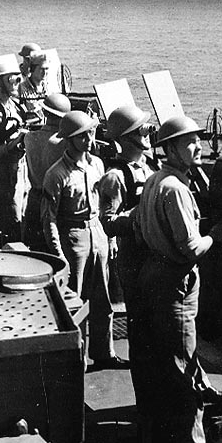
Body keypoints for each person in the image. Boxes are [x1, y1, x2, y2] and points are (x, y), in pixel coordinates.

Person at [132, 115, 222, 443]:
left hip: (153, 275)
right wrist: (215, 236)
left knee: (162, 364)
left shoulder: (152, 181)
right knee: (184, 370)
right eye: (188, 141)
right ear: (171, 149)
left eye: (196, 139)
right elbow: (192, 248)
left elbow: (138, 230)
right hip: (175, 282)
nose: (196, 146)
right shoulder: (175, 188)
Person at [41, 111, 127, 370]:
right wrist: (59, 254)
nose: (90, 138)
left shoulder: (97, 165)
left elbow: (104, 206)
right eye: (83, 135)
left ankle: (104, 353)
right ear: (70, 139)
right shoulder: (56, 175)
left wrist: (108, 239)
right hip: (73, 239)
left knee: (103, 301)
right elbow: (49, 219)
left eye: (90, 132)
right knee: (74, 303)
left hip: (97, 233)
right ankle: (75, 358)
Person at [99, 104, 159, 312]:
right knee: (140, 318)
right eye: (140, 129)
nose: (147, 131)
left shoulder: (151, 166)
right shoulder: (115, 177)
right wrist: (139, 215)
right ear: (125, 138)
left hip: (157, 252)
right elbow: (108, 222)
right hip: (135, 255)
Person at [0, 60, 28, 244]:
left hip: (20, 172)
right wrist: (11, 146)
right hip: (2, 175)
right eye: (11, 79)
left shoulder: (16, 107)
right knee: (10, 218)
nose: (15, 83)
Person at [23, 92, 68, 252]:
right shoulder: (63, 143)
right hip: (56, 203)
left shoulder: (29, 137)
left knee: (36, 249)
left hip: (34, 199)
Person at [18, 51, 51, 125]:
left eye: (47, 69)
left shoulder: (47, 88)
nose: (44, 72)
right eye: (41, 69)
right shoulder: (21, 88)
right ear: (32, 69)